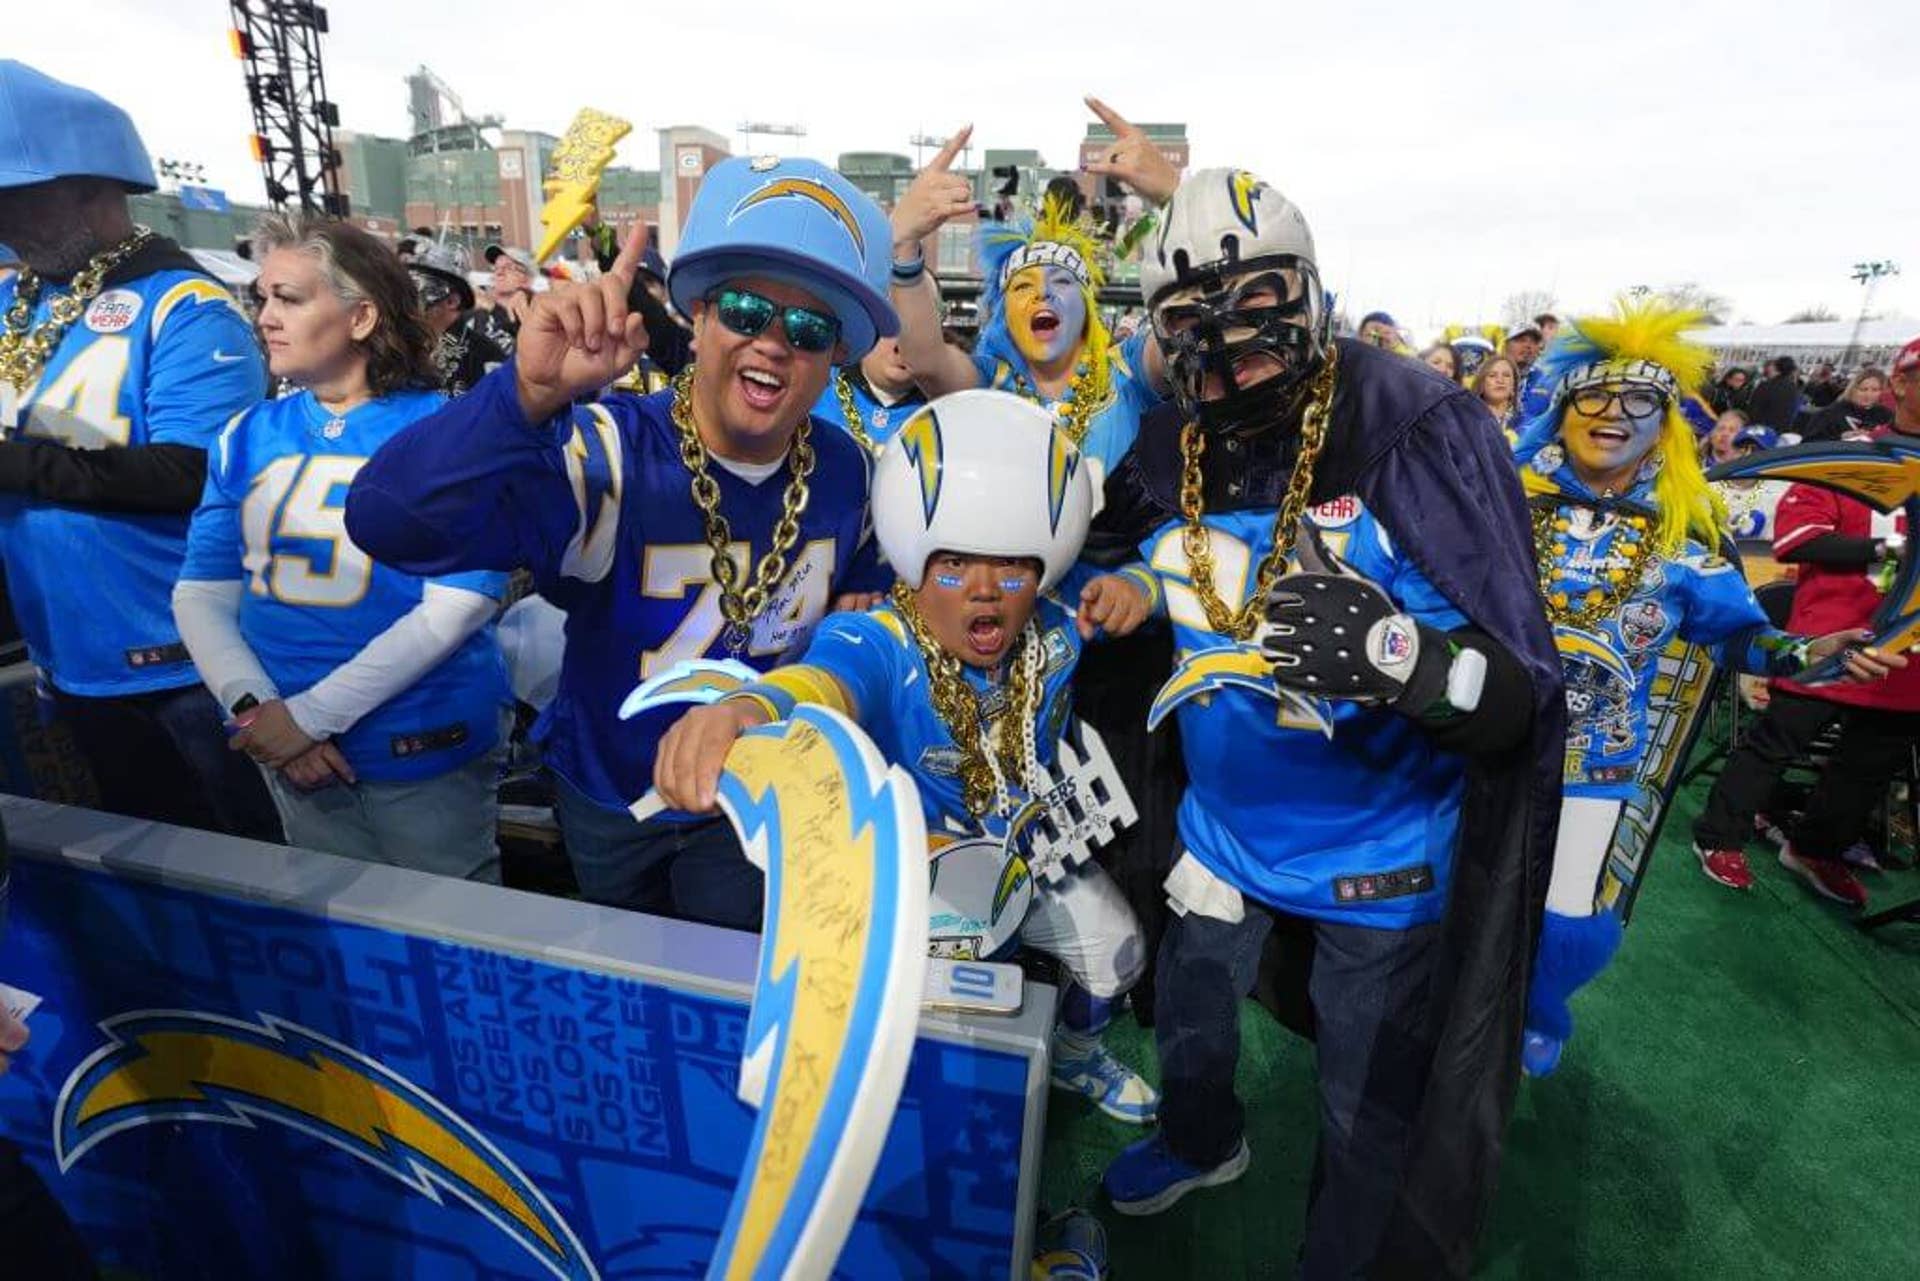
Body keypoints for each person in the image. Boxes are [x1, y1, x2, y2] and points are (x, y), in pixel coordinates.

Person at [1086, 167, 1561, 1280]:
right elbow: (1105, 552)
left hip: (1380, 860)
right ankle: (1203, 1142)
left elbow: (1519, 702)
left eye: (1259, 304)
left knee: (1367, 1113)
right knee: (1190, 1026)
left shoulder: (1411, 429)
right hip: (1223, 834)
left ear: (1309, 293)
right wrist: (1141, 594)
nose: (1235, 343)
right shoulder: (1170, 445)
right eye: (1200, 320)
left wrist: (1403, 658)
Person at [344, 157, 895, 931]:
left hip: (756, 800)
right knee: (629, 971)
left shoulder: (849, 473)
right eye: (744, 310)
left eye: (808, 329)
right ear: (697, 314)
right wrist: (526, 395)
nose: (774, 344)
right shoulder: (607, 453)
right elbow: (385, 520)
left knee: (726, 969)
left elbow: (866, 607)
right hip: (607, 795)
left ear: (836, 355)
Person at [656, 390, 1160, 1122]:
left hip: (1038, 849)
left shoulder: (1059, 616)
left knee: (1118, 956)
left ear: (1045, 566)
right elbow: (826, 678)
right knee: (946, 1063)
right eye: (954, 562)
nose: (985, 591)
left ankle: (1078, 1056)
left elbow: (1168, 580)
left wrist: (1135, 588)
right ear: (915, 554)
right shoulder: (883, 637)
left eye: (1012, 566)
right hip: (919, 883)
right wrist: (749, 706)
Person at [1514, 299, 1893, 1071]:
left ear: (1666, 424)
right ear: (1562, 408)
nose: (1613, 414)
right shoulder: (1502, 508)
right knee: (1454, 888)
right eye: (1594, 395)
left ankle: (1539, 1006)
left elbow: (1741, 636)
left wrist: (1812, 652)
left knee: (1565, 908)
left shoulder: (1684, 538)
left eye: (1639, 401)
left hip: (1600, 760)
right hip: (1488, 740)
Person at [172, 216, 510, 878]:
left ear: (360, 317)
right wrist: (258, 712)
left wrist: (306, 718)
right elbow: (201, 590)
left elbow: (460, 605)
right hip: (280, 739)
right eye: (261, 297)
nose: (265, 316)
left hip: (416, 742)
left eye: (289, 298)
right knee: (342, 936)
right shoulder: (245, 432)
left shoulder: (452, 431)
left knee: (449, 935)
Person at [0, 61, 279, 840]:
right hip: (69, 647)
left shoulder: (187, 308)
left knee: (237, 861)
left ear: (92, 183)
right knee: (148, 853)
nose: (4, 219)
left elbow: (193, 474)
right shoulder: (15, 301)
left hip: (184, 663)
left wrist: (11, 462)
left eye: (16, 195)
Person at [1690, 336, 1920, 902]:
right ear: (1900, 382)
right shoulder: (1852, 455)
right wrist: (1895, 552)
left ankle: (1814, 847)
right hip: (1835, 634)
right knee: (1777, 742)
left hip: (1910, 654)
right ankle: (1719, 835)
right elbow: (1797, 539)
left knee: (1868, 766)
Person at [885, 101, 1172, 486]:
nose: (1043, 294)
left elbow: (1185, 334)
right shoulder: (988, 381)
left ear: (1087, 308)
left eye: (1062, 281)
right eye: (1022, 285)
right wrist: (902, 242)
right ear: (1004, 313)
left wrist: (1177, 201)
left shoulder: (1131, 369)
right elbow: (925, 360)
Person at [408, 240, 511, 395]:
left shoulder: (484, 354)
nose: (410, 299)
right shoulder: (402, 345)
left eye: (421, 288)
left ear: (452, 301)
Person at [810, 335, 926, 454]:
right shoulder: (813, 385)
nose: (899, 347)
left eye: (911, 333)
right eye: (892, 332)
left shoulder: (941, 413)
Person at [1801, 368, 1891, 441]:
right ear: (1853, 389)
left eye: (1875, 390)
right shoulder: (1830, 413)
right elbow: (1808, 444)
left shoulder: (1886, 415)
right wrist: (1840, 438)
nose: (1868, 395)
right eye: (1863, 389)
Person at [1474, 352, 1523, 442]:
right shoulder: (1468, 422)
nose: (1500, 380)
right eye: (1492, 376)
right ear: (1482, 384)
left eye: (1506, 375)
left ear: (1514, 386)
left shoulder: (1523, 423)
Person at [1746, 355, 1802, 429]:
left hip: (1761, 427)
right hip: (1782, 428)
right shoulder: (1794, 388)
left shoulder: (1766, 385)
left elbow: (1753, 409)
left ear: (1776, 368)